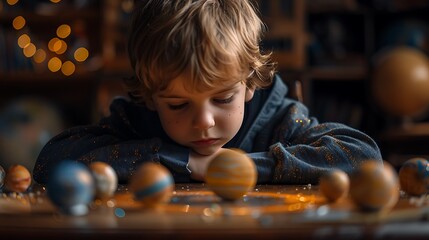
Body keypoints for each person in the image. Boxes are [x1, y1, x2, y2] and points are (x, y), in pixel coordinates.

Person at [33, 0, 382, 184]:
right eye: (179, 104)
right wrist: (182, 161)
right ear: (153, 96)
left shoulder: (280, 119)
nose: (203, 122)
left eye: (222, 99)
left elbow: (364, 156)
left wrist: (240, 167)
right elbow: (51, 163)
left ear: (248, 83)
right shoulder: (138, 120)